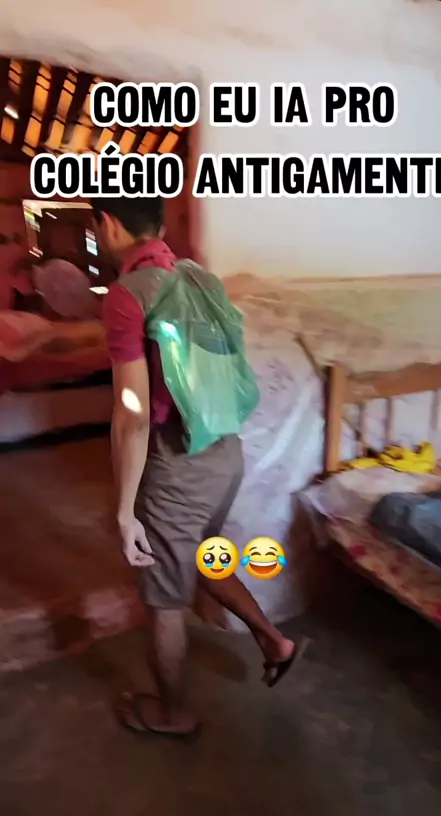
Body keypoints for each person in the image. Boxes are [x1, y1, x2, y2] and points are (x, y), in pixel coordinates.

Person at [92, 197, 304, 738]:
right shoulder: (199, 279)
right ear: (161, 223)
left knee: (164, 599)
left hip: (178, 463)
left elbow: (133, 415)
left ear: (108, 224)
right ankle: (274, 640)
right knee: (207, 555)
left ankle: (171, 714)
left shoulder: (127, 295)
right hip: (225, 451)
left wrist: (124, 512)